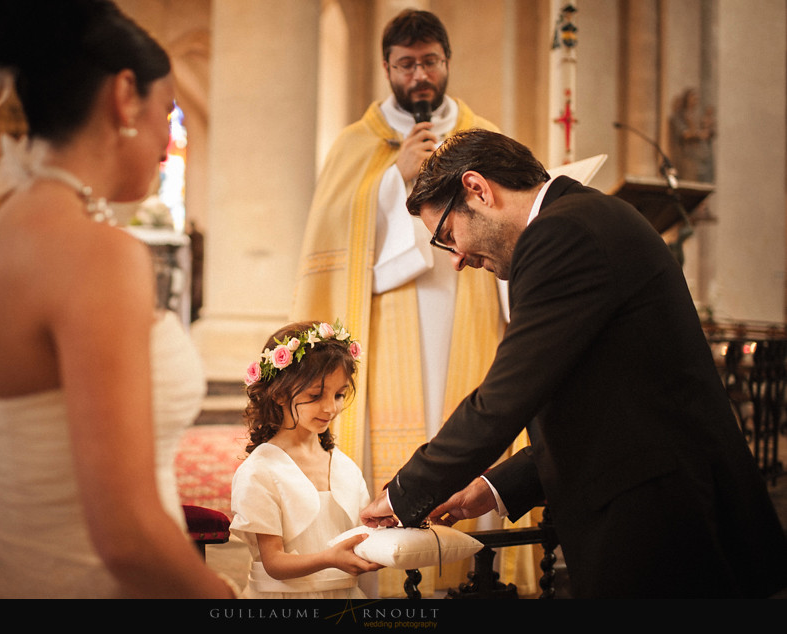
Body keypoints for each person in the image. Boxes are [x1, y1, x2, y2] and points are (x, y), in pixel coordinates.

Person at [361, 129, 787, 599]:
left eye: (446, 236)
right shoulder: (585, 217)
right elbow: (610, 401)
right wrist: (494, 487)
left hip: (657, 521)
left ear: (478, 190)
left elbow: (505, 396)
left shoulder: (562, 232)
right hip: (663, 502)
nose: (457, 258)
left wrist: (405, 493)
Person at [0, 0, 234, 598]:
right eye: (168, 111)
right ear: (125, 95)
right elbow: (127, 536)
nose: (168, 135)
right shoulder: (98, 253)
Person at [291, 6, 506, 533]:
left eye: (429, 62)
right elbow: (333, 229)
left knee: (466, 418)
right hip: (386, 310)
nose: (419, 76)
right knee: (397, 431)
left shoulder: (485, 136)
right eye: (405, 64)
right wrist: (393, 179)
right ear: (387, 68)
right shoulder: (355, 144)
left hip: (468, 303)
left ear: (447, 62)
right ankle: (393, 568)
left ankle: (469, 569)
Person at [229, 321, 382, 599]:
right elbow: (274, 562)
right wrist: (329, 559)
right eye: (315, 395)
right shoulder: (260, 470)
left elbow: (362, 536)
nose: (330, 407)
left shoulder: (344, 467)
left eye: (339, 395)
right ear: (278, 393)